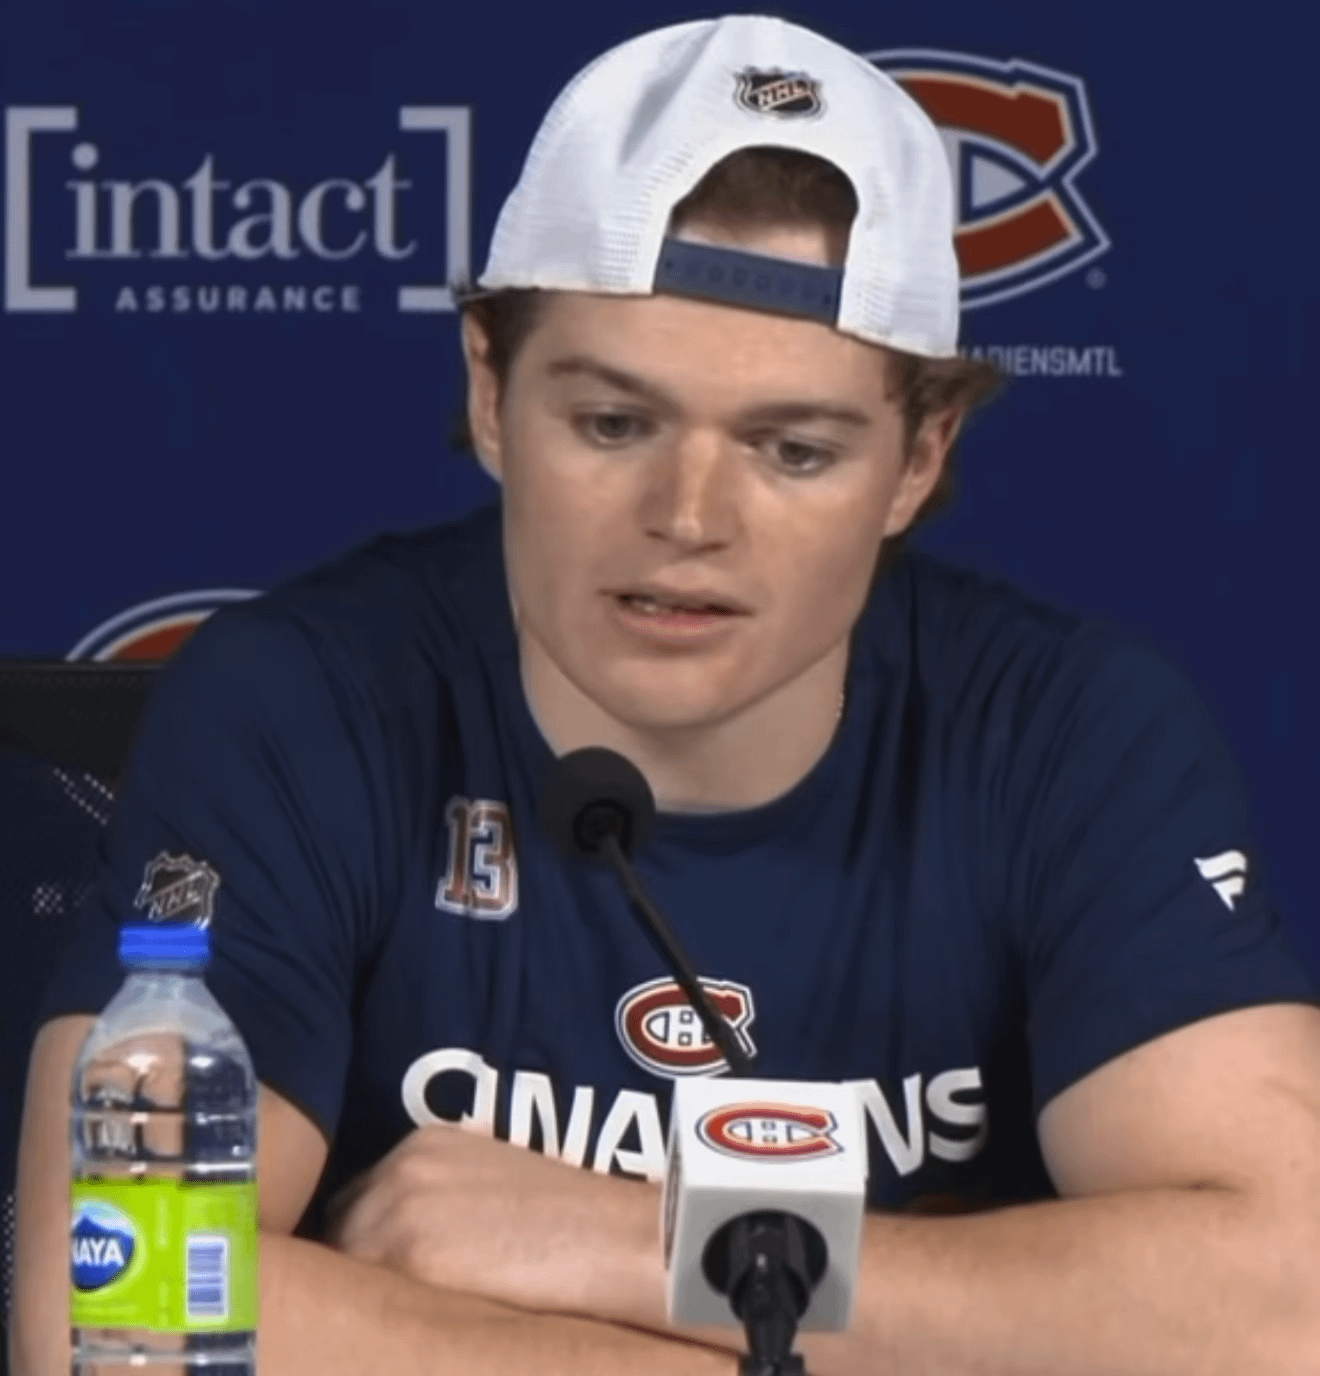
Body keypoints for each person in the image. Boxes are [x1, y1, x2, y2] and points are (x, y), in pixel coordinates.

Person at [12, 13, 1320, 1376]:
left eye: (792, 449)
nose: (688, 518)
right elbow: (110, 1309)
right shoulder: (299, 707)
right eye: (615, 423)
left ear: (919, 458)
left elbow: (1288, 1306)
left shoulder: (1070, 734)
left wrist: (642, 1244)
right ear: (490, 389)